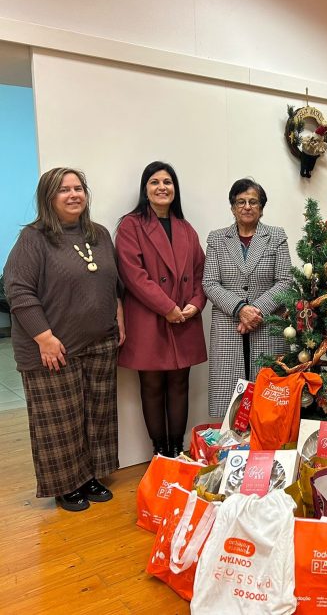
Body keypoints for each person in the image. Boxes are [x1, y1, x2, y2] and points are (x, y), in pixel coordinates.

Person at [4, 167, 125, 512]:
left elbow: (113, 286)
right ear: (48, 197)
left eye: (78, 188)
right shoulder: (34, 239)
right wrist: (44, 337)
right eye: (63, 190)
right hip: (52, 348)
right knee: (60, 421)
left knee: (95, 416)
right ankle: (66, 484)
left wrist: (118, 322)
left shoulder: (99, 234)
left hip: (100, 343)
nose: (73, 195)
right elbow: (19, 292)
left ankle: (89, 475)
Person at [115, 161, 207, 457]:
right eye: (155, 182)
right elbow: (133, 275)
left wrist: (195, 304)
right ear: (145, 189)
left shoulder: (186, 228)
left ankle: (177, 451)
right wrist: (167, 307)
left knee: (180, 384)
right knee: (152, 385)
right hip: (149, 318)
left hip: (184, 318)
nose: (162, 187)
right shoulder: (131, 225)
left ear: (175, 189)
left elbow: (201, 273)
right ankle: (159, 452)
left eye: (168, 182)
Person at [202, 178, 292, 418]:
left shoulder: (276, 236)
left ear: (262, 208)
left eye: (253, 201)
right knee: (231, 403)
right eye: (240, 201)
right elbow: (209, 283)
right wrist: (240, 308)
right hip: (229, 327)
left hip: (267, 325)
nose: (247, 206)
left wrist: (255, 311)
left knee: (270, 401)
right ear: (232, 207)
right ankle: (233, 450)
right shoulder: (217, 239)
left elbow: (284, 281)